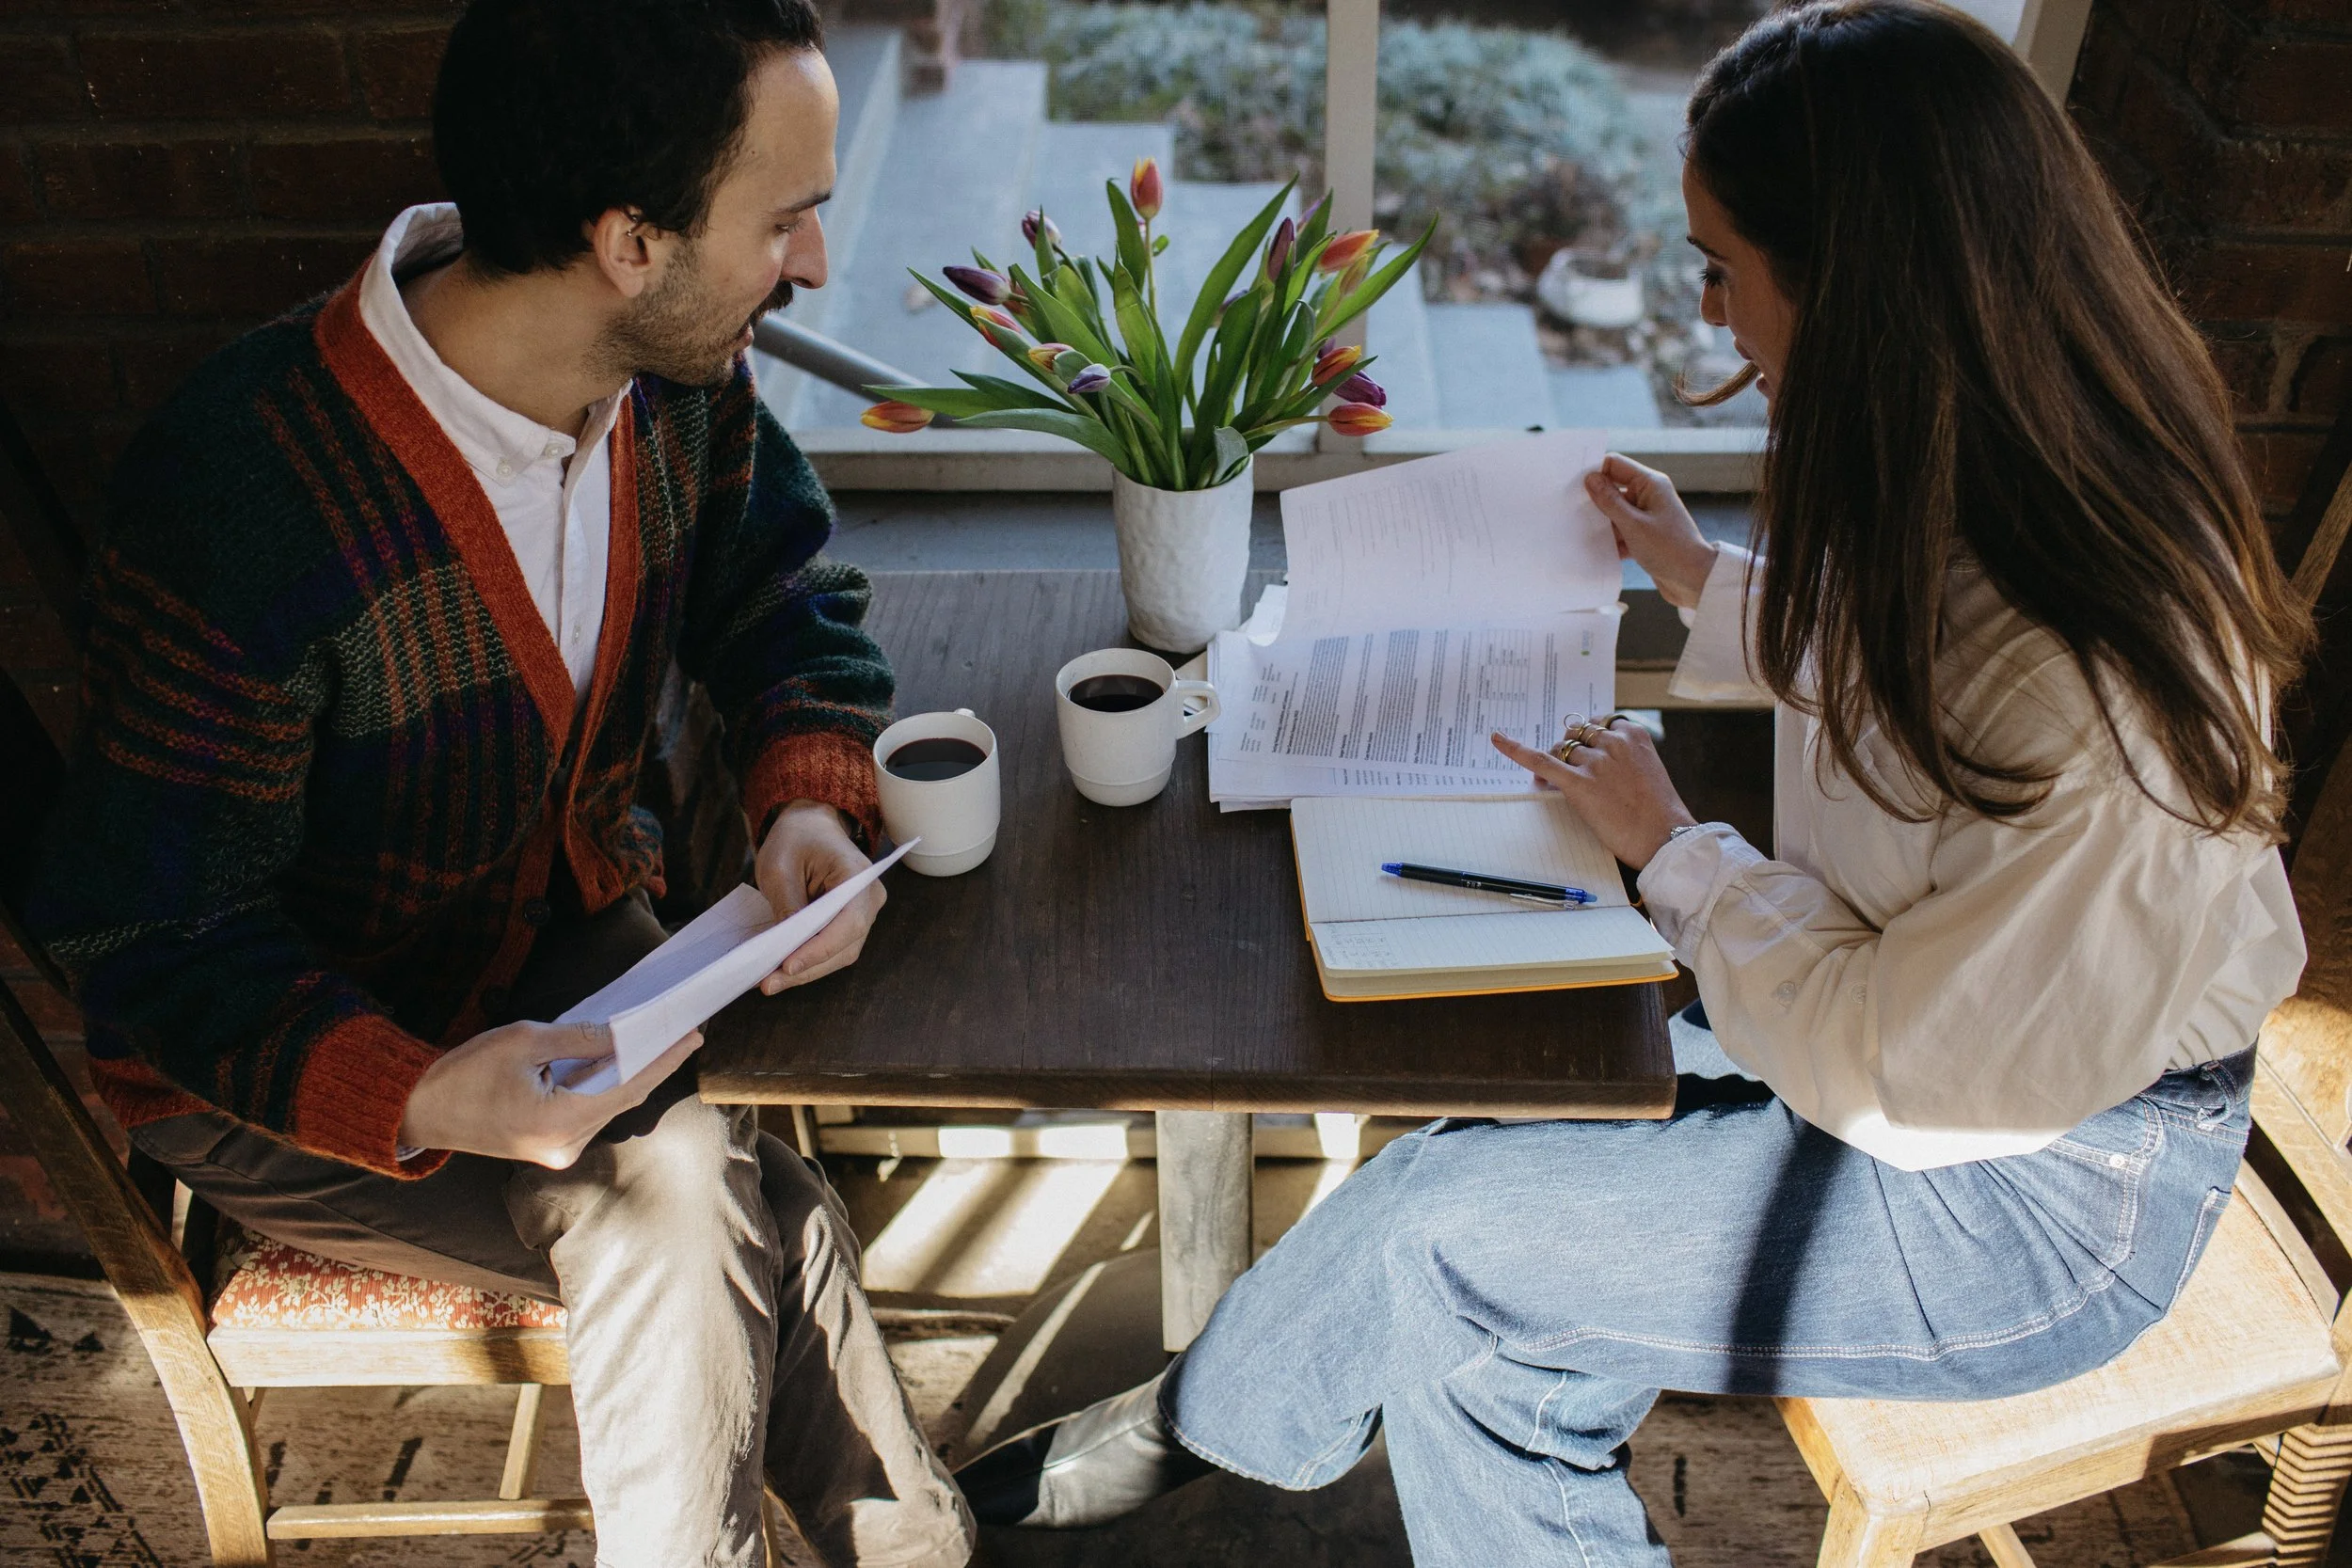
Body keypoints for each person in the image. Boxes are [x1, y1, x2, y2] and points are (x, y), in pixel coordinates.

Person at [952, 2, 2312, 1560]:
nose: (1719, 316)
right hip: (1926, 1040)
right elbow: (1907, 675)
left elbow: (1909, 1073)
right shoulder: (1987, 458)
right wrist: (1699, 572)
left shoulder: (2102, 687)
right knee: (1474, 1228)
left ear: (1854, 285)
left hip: (2040, 1190)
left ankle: (1187, 1434)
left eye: (1723, 268)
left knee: (1456, 1245)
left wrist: (1677, 850)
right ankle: (1196, 1428)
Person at [27, 2, 974, 1563]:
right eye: (787, 219)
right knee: (693, 1197)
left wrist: (805, 788)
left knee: (737, 1199)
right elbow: (150, 938)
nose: (813, 263)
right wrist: (415, 1087)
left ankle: (924, 1548)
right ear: (629, 242)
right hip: (297, 1046)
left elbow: (780, 588)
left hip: (572, 947)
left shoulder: (673, 378)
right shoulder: (245, 503)